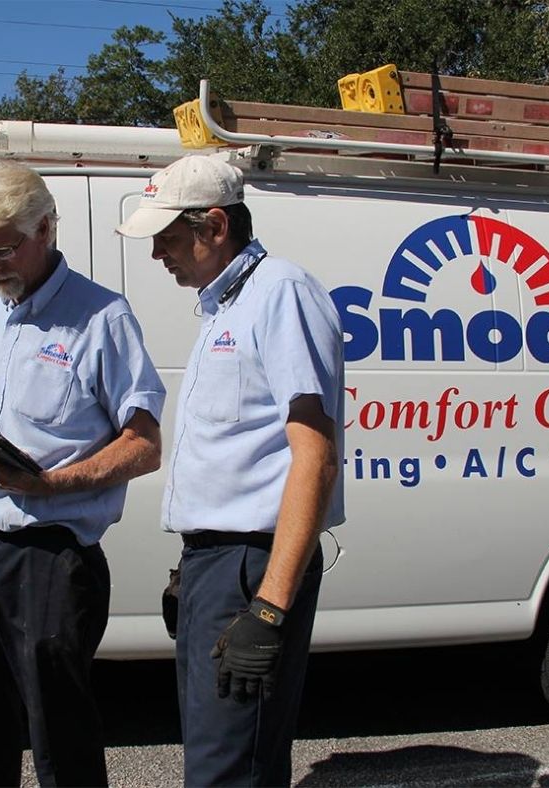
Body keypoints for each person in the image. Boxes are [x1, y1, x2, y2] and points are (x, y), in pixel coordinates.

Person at [0, 160, 165, 788]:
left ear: (46, 229)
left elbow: (145, 446)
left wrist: (49, 485)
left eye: (3, 249)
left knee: (57, 733)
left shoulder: (102, 318)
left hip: (49, 554)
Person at [116, 155, 345, 787]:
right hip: (218, 565)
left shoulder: (282, 294)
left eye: (167, 238)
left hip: (252, 566)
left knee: (226, 770)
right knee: (226, 758)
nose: (159, 254)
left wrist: (269, 607)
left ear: (214, 226)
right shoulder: (227, 304)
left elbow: (315, 456)